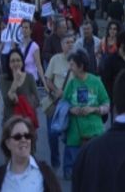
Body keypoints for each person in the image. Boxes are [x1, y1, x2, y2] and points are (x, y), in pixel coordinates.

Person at [62, 49, 109, 180]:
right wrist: (71, 110)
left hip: (95, 133)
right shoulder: (71, 83)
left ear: (81, 66)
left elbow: (106, 105)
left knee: (94, 174)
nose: (70, 68)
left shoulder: (96, 82)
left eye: (72, 65)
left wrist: (93, 109)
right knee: (75, 175)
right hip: (74, 134)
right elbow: (63, 104)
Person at [0, 116, 62, 192]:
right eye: (17, 137)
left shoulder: (46, 173)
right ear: (8, 143)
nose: (23, 140)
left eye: (27, 136)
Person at [44, 33, 75, 168]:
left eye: (72, 42)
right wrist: (57, 91)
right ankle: (55, 161)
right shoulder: (55, 59)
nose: (70, 45)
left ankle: (68, 166)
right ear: (62, 45)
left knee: (71, 136)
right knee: (52, 134)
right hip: (55, 102)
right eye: (67, 42)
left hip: (71, 104)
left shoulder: (78, 61)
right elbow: (47, 79)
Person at [0, 48, 40, 124]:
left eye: (18, 60)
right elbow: (7, 101)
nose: (16, 64)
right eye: (12, 61)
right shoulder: (3, 79)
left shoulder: (29, 77)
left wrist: (22, 101)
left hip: (27, 121)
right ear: (8, 64)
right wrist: (15, 81)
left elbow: (37, 100)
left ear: (22, 62)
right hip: (10, 122)